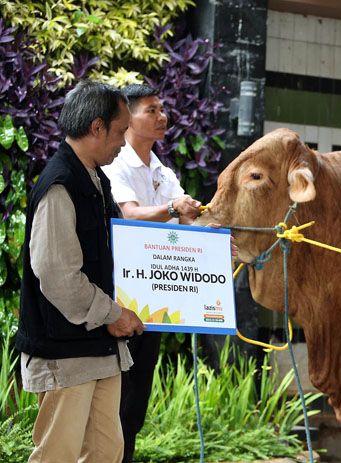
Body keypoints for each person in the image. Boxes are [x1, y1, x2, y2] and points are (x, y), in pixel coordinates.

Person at [16, 80, 145, 463]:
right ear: (96, 127)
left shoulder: (95, 180)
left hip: (100, 351)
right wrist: (112, 314)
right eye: (121, 131)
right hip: (65, 353)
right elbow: (57, 275)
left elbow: (129, 248)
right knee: (58, 454)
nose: (124, 142)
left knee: (106, 453)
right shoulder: (60, 185)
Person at [101, 83, 201, 463]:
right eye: (151, 111)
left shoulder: (163, 171)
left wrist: (218, 243)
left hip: (155, 300)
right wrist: (175, 209)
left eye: (162, 109)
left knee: (137, 399)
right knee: (115, 398)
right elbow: (129, 214)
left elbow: (188, 220)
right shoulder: (115, 164)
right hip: (118, 300)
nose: (162, 117)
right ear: (128, 119)